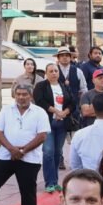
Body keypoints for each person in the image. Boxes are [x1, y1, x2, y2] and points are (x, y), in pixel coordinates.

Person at [0, 84, 50, 205]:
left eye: (25, 94)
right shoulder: (6, 110)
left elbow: (42, 136)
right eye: (18, 94)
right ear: (14, 95)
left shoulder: (39, 112)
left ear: (31, 96)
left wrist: (23, 151)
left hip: (30, 159)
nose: (21, 97)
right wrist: (12, 150)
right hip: (5, 156)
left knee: (28, 195)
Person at [33, 63, 78, 193]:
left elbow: (72, 103)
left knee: (58, 152)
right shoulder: (41, 86)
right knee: (48, 152)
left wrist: (65, 112)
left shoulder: (64, 86)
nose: (54, 73)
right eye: (51, 71)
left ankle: (55, 181)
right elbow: (39, 101)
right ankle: (49, 183)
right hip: (47, 124)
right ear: (46, 73)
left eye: (56, 71)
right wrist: (55, 111)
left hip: (62, 124)